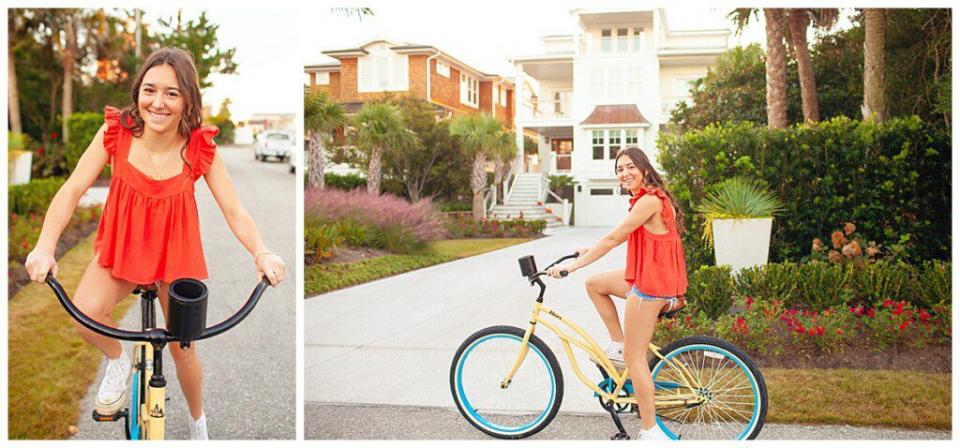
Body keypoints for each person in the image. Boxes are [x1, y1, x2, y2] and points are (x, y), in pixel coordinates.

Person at [24, 48, 286, 440]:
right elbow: (72, 189)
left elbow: (235, 211)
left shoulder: (199, 147)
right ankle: (117, 361)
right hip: (121, 249)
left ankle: (198, 421)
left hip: (176, 255)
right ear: (138, 91)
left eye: (172, 93)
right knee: (85, 317)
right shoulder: (116, 132)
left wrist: (262, 251)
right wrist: (45, 246)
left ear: (187, 101)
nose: (158, 103)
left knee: (184, 348)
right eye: (150, 90)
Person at [546, 146, 687, 441]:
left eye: (630, 167)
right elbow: (632, 237)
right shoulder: (650, 199)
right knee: (595, 284)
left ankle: (651, 433)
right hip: (653, 278)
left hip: (651, 287)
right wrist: (588, 251)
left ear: (644, 168)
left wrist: (572, 267)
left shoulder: (648, 201)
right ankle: (618, 345)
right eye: (619, 169)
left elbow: (613, 238)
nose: (624, 173)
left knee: (636, 361)